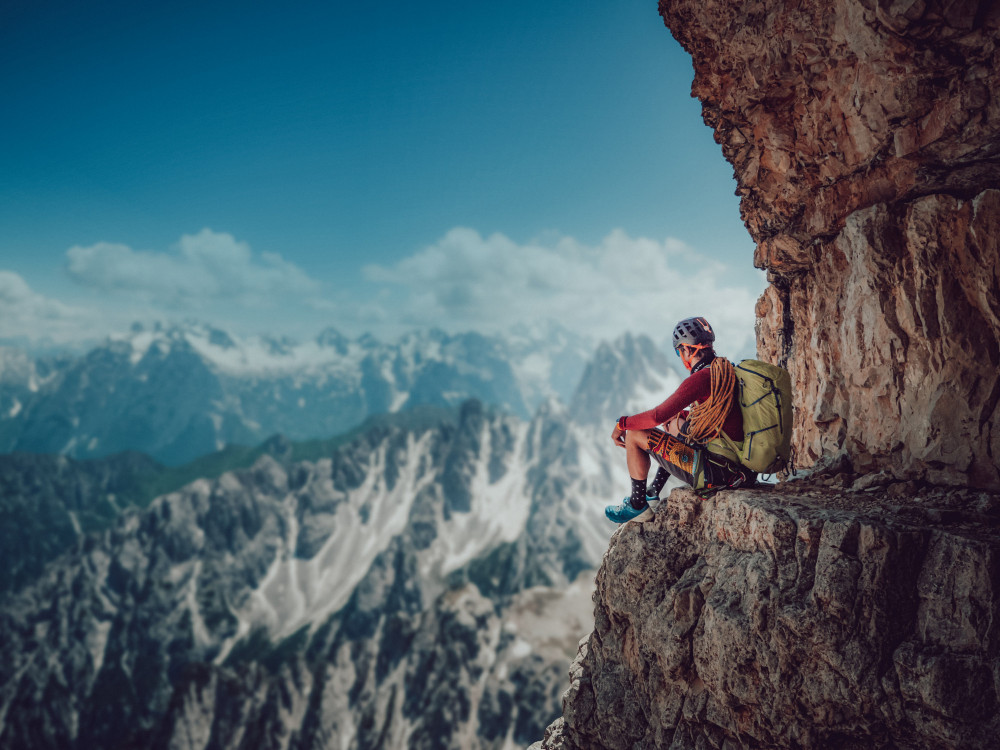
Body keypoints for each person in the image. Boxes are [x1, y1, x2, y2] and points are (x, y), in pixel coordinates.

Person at [605, 317, 756, 524]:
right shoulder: (726, 369)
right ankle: (653, 491)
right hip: (735, 465)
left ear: (687, 350)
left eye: (679, 351)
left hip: (716, 472)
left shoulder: (701, 378)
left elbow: (656, 416)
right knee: (676, 421)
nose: (680, 356)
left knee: (635, 433)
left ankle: (638, 505)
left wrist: (621, 424)